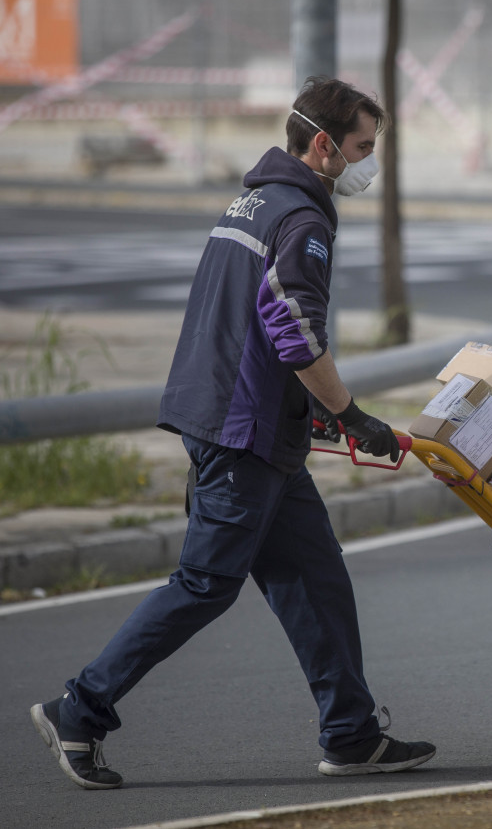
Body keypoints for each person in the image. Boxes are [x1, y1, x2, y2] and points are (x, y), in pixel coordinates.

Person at [30, 77, 435, 790]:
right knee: (205, 584)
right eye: (363, 147)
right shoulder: (302, 218)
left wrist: (305, 412)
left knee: (316, 580)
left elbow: (243, 316)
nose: (369, 162)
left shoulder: (253, 200)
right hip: (239, 431)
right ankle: (80, 709)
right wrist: (349, 414)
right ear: (322, 144)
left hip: (245, 422)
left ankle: (351, 733)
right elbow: (291, 328)